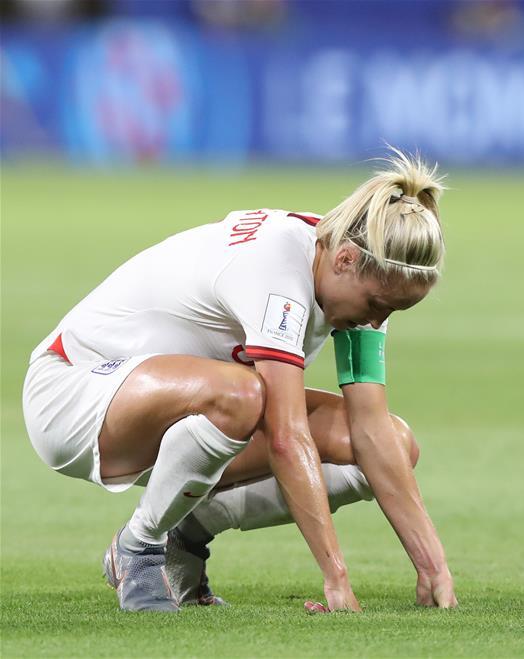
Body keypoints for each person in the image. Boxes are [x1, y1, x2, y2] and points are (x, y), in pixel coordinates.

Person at [22, 150, 458, 612]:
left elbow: (371, 433)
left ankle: (183, 534)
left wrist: (433, 565)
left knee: (395, 443)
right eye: (377, 304)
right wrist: (336, 578)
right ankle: (139, 548)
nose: (378, 320)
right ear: (346, 260)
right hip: (72, 394)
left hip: (177, 410)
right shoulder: (278, 270)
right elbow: (287, 438)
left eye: (393, 311)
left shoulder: (357, 264)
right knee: (243, 395)